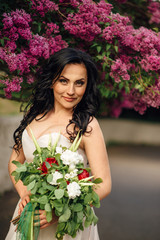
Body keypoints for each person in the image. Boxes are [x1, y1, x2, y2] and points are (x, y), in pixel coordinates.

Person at [5, 48, 111, 240]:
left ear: (87, 86)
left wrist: (58, 213)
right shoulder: (33, 118)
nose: (71, 91)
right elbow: (15, 160)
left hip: (68, 225)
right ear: (52, 81)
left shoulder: (87, 125)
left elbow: (103, 184)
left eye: (79, 83)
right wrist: (24, 191)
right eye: (64, 81)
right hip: (29, 216)